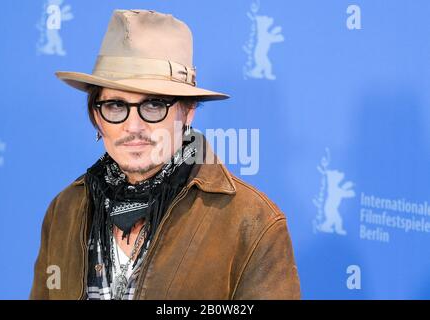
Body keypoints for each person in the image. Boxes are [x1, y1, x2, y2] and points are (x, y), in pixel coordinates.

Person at [30, 9, 300, 300]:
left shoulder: (252, 222)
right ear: (97, 117)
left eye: (154, 105)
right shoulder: (65, 210)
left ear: (188, 111)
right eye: (116, 106)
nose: (133, 127)